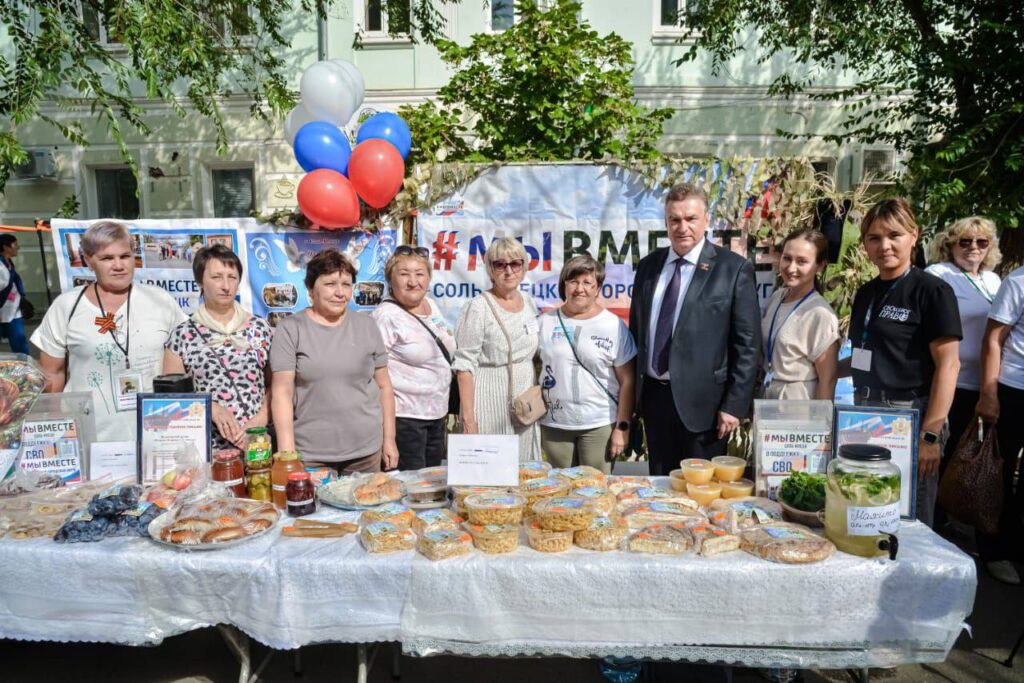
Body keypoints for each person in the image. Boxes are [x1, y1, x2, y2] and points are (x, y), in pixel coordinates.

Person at [629, 182, 761, 475]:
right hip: (654, 401)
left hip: (707, 408)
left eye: (691, 218)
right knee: (661, 488)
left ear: (707, 219)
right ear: (666, 222)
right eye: (674, 219)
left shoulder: (733, 269)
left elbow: (748, 345)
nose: (682, 227)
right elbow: (638, 331)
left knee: (703, 491)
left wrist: (734, 405)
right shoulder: (649, 267)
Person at [847, 198, 961, 528]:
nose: (884, 246)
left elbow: (949, 366)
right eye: (874, 238)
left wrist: (930, 436)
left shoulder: (933, 291)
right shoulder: (866, 293)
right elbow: (866, 353)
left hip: (911, 418)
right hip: (866, 414)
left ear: (914, 235)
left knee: (911, 518)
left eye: (894, 235)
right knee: (868, 510)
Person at [31, 221, 186, 442]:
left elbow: (185, 360)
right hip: (89, 436)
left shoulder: (160, 301)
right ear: (88, 261)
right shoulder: (67, 306)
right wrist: (56, 432)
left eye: (125, 256)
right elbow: (51, 373)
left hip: (155, 432)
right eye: (107, 258)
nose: (118, 265)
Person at [270, 249, 398, 473]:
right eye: (330, 284)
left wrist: (389, 439)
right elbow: (282, 392)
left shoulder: (367, 326)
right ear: (311, 289)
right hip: (311, 456)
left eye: (346, 285)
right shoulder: (291, 329)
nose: (340, 292)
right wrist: (287, 455)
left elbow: (384, 386)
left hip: (366, 453)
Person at [163, 245, 273, 451]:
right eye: (216, 277)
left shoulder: (260, 328)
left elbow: (277, 385)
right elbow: (172, 398)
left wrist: (260, 419)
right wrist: (210, 407)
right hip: (206, 449)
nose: (226, 286)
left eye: (232, 277)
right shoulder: (182, 335)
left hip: (256, 445)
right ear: (200, 282)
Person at [538, 254, 636, 473]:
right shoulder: (545, 322)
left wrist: (622, 427)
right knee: (559, 487)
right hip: (555, 424)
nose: (579, 289)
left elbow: (628, 381)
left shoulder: (613, 326)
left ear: (597, 289)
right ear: (564, 285)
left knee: (596, 488)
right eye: (573, 281)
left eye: (587, 283)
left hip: (599, 424)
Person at [454, 237, 542, 460]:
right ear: (490, 270)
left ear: (524, 267)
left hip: (525, 405)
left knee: (523, 471)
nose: (508, 271)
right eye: (500, 264)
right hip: (489, 404)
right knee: (490, 470)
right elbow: (464, 365)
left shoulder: (529, 303)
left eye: (515, 264)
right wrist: (469, 419)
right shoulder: (478, 307)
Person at [924, 218, 1002, 470]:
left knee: (975, 457)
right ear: (950, 245)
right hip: (953, 382)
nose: (974, 247)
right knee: (947, 455)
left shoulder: (993, 279)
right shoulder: (939, 275)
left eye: (982, 242)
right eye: (965, 241)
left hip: (987, 384)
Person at [372, 246, 456, 470]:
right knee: (411, 485)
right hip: (404, 420)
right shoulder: (386, 316)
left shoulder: (431, 305)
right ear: (391, 281)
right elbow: (373, 374)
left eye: (420, 274)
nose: (413, 282)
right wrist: (388, 438)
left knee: (433, 484)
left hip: (436, 415)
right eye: (404, 274)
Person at [975, 265, 1024, 585]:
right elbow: (993, 339)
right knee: (997, 474)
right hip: (1013, 389)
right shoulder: (1018, 281)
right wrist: (989, 393)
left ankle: (1015, 540)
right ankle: (993, 551)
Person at [760, 229, 840, 401]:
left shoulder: (820, 314)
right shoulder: (777, 297)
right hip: (768, 393)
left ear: (819, 266)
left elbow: (828, 380)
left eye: (802, 261)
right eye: (787, 258)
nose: (791, 268)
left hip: (797, 402)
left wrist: (820, 417)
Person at [0, 234, 29, 354]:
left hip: (13, 311)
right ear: (5, 247)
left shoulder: (8, 263)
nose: (18, 247)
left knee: (21, 347)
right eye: (15, 244)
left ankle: (24, 365)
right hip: (3, 311)